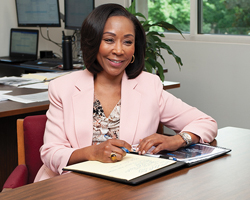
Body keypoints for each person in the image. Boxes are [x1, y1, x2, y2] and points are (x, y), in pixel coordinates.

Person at [34, 3, 217, 182]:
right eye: (109, 40)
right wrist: (92, 152)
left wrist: (177, 140)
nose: (119, 50)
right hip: (70, 185)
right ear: (93, 42)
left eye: (127, 42)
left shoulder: (148, 85)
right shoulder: (63, 88)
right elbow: (51, 152)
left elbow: (205, 123)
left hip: (129, 187)